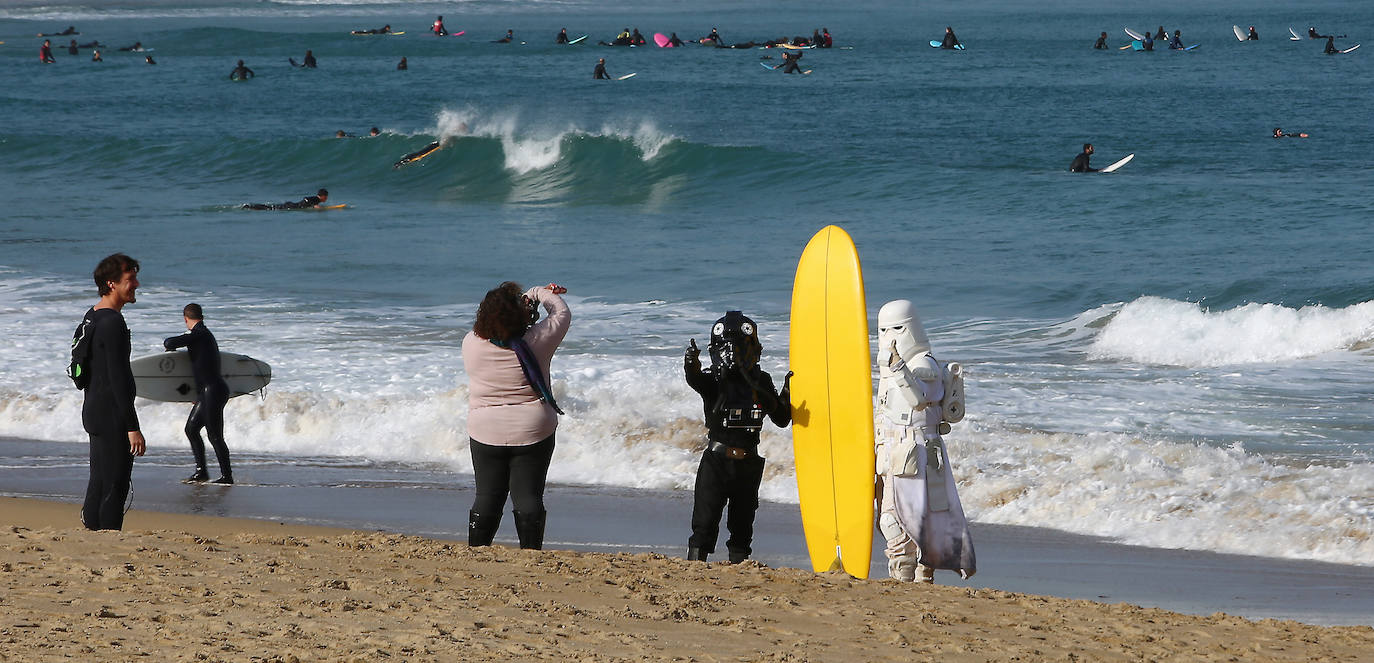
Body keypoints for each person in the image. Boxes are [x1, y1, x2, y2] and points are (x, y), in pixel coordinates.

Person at [463, 281, 572, 550]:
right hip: (533, 428)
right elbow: (560, 312)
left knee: (487, 496)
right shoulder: (538, 340)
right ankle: (531, 555)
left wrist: (522, 302)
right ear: (521, 314)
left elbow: (502, 320)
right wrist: (537, 292)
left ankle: (476, 552)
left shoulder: (471, 343)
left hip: (485, 429)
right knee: (528, 496)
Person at [873, 299, 975, 583]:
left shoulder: (923, 364)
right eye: (883, 330)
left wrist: (898, 366)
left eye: (896, 329)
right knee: (897, 519)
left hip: (917, 452)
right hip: (893, 451)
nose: (889, 336)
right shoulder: (890, 368)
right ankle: (914, 578)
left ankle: (909, 578)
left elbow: (917, 398)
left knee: (901, 519)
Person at [683, 311, 791, 564]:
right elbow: (695, 379)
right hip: (717, 461)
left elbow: (781, 418)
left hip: (748, 463)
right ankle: (694, 570)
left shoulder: (761, 381)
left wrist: (788, 389)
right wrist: (691, 363)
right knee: (704, 525)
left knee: (742, 528)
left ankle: (740, 570)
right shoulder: (714, 379)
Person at [80, 253, 147, 531]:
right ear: (112, 283)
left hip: (94, 409)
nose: (136, 284)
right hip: (111, 414)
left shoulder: (92, 316)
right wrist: (132, 426)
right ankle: (107, 537)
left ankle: (91, 534)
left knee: (99, 480)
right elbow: (119, 379)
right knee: (115, 485)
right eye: (130, 279)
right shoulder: (113, 323)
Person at [163, 304, 233, 485]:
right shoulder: (202, 335)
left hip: (213, 391)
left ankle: (227, 476)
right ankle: (201, 472)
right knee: (191, 429)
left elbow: (169, 343)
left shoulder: (199, 334)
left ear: (185, 318)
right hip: (208, 392)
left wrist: (176, 343)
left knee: (214, 436)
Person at [242, 188, 329, 210]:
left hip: (292, 205)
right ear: (323, 196)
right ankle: (250, 206)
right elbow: (306, 199)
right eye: (326, 196)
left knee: (270, 207)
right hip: (292, 206)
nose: (327, 198)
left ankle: (251, 206)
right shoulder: (316, 199)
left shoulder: (317, 200)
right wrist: (314, 205)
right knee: (270, 208)